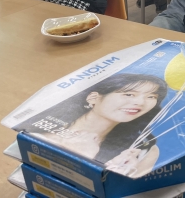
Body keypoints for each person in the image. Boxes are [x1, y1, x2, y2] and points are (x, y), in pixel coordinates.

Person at [20, 74, 168, 178]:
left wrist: (121, 174)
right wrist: (83, 158)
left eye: (151, 97)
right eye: (129, 94)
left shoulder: (143, 149)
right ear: (93, 98)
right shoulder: (41, 135)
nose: (140, 103)